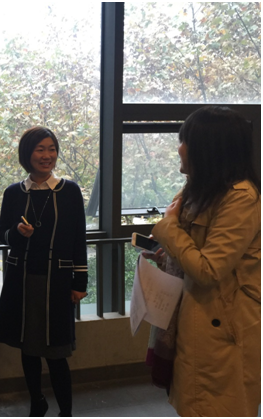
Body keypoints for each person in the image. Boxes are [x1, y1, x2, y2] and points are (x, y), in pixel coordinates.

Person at [148, 106, 260, 417]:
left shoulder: (240, 197)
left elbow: (209, 270)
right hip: (195, 320)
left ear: (207, 148)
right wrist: (169, 257)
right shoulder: (198, 191)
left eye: (184, 140)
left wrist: (169, 229)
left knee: (218, 406)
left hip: (223, 328)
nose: (179, 148)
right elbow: (194, 255)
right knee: (195, 404)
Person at [0, 127, 88, 417]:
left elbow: (79, 238)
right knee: (28, 348)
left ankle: (66, 412)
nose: (47, 155)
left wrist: (80, 281)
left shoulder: (69, 191)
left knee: (56, 352)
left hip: (57, 282)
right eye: (40, 149)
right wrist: (17, 233)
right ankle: (37, 402)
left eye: (51, 149)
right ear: (28, 154)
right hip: (22, 280)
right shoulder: (14, 192)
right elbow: (2, 235)